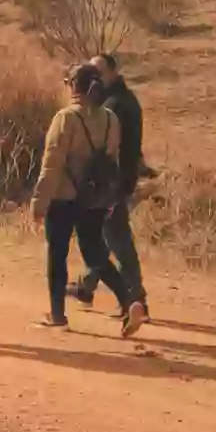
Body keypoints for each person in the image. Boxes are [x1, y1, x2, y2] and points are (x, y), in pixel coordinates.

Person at [34, 63, 143, 335]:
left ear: (74, 86)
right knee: (95, 254)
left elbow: (52, 164)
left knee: (57, 254)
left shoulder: (66, 118)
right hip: (94, 198)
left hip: (63, 197)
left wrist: (39, 201)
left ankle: (57, 315)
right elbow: (111, 161)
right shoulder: (110, 119)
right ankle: (129, 301)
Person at [69, 53, 147, 313]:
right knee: (99, 234)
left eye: (98, 72)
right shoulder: (125, 100)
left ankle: (136, 298)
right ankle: (87, 286)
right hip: (117, 178)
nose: (94, 77)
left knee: (116, 238)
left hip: (111, 181)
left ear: (112, 73)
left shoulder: (114, 105)